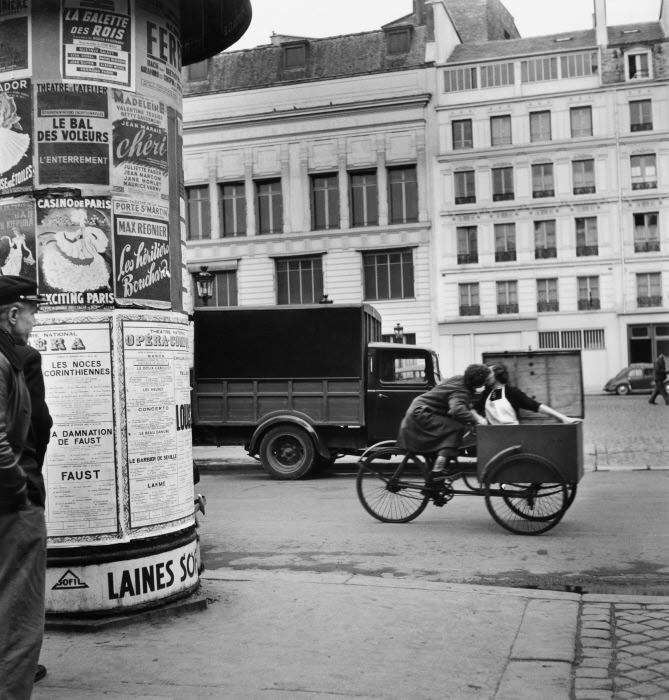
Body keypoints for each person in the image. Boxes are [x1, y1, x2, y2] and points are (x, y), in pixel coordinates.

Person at [0, 275, 48, 699]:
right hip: (11, 508)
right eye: (31, 310)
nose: (34, 318)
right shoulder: (7, 359)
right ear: (13, 314)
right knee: (19, 620)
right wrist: (19, 492)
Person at [396, 363, 492, 477]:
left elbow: (459, 403)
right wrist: (476, 420)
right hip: (423, 413)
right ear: (478, 383)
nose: (486, 383)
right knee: (456, 428)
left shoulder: (459, 379)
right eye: (485, 381)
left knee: (450, 430)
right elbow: (456, 410)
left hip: (421, 408)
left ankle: (434, 483)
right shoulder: (461, 391)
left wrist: (470, 418)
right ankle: (438, 469)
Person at [478, 363, 580, 425]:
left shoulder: (512, 392)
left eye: (489, 373)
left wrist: (563, 418)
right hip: (490, 435)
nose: (486, 376)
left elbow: (535, 406)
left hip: (510, 434)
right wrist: (479, 418)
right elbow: (474, 409)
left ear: (497, 374)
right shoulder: (487, 394)